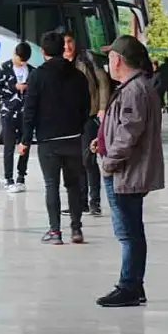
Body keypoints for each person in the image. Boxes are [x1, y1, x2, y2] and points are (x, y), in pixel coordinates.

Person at [93, 35, 165, 307]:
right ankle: (133, 284)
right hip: (126, 170)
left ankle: (130, 286)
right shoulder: (133, 87)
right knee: (131, 231)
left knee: (129, 233)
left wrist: (109, 161)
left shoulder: (135, 90)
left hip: (126, 172)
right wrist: (101, 141)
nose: (107, 62)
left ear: (118, 60)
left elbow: (129, 133)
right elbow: (122, 127)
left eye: (109, 57)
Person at [21, 31, 91, 245]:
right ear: (63, 49)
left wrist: (25, 140)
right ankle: (77, 229)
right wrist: (78, 127)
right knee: (73, 184)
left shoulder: (37, 76)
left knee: (51, 185)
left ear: (42, 52)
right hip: (73, 138)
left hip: (48, 141)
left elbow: (30, 110)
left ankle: (55, 232)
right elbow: (86, 106)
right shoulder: (78, 75)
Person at [64, 32, 110, 217]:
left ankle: (94, 202)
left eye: (70, 41)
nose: (67, 46)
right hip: (68, 119)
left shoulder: (87, 58)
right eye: (64, 42)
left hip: (88, 116)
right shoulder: (58, 63)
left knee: (88, 160)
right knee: (74, 162)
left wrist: (102, 107)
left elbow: (103, 83)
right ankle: (79, 203)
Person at [0, 42, 34, 193]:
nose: (20, 62)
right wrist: (14, 87)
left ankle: (21, 176)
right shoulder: (4, 68)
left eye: (24, 60)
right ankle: (8, 178)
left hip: (25, 114)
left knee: (25, 145)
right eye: (19, 58)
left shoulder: (32, 71)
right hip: (9, 113)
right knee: (9, 146)